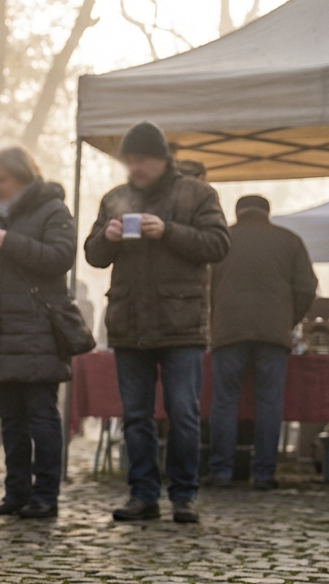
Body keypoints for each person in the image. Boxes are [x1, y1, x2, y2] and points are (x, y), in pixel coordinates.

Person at [84, 122, 230, 524]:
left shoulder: (198, 194)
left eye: (142, 159)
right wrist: (108, 238)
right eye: (129, 160)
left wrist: (168, 231)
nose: (135, 167)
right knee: (135, 415)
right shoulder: (114, 198)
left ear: (162, 158)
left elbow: (218, 244)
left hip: (182, 324)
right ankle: (143, 495)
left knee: (183, 412)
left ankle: (184, 495)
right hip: (129, 323)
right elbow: (93, 255)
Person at [0, 146, 75, 519]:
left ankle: (45, 494)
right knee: (9, 418)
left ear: (23, 176)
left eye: (3, 179)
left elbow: (61, 258)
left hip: (38, 330)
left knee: (41, 415)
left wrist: (8, 241)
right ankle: (16, 492)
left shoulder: (53, 209)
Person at [207, 195, 317, 490]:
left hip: (228, 331)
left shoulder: (221, 240)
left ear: (238, 212)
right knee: (269, 403)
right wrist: (288, 319)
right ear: (268, 213)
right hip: (273, 333)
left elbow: (205, 286)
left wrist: (213, 322)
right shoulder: (289, 240)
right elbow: (307, 287)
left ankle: (221, 471)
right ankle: (265, 474)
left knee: (224, 403)